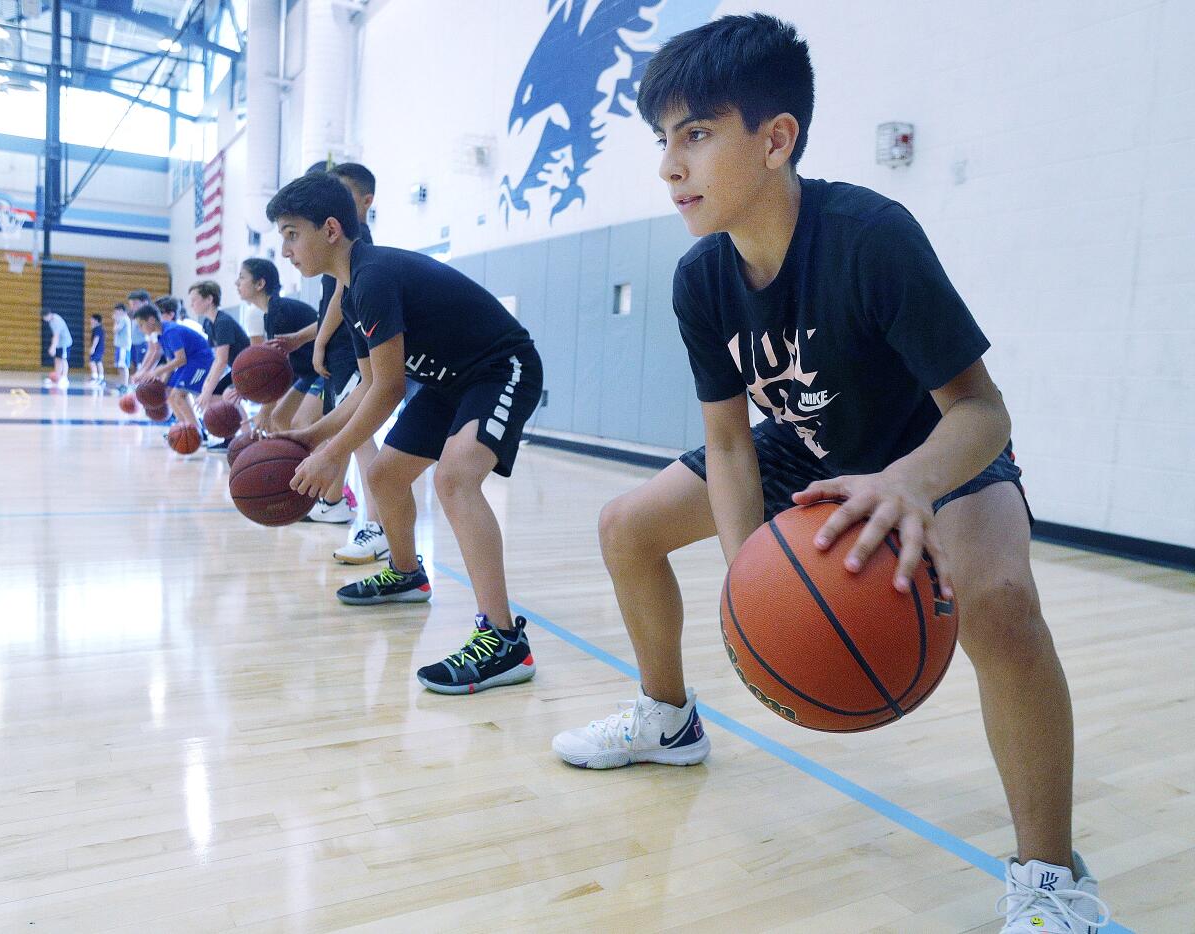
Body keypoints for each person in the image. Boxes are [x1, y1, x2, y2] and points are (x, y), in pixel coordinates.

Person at [548, 15, 1110, 934]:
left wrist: (911, 484)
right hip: (806, 450)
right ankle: (668, 719)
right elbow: (729, 444)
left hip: (929, 451)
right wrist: (750, 576)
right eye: (663, 140)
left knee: (1000, 602)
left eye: (695, 134)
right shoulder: (700, 280)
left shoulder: (871, 236)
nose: (669, 165)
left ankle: (1052, 876)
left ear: (776, 140)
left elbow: (981, 411)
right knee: (626, 527)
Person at [265, 172, 543, 695]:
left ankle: (505, 641)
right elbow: (368, 386)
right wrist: (310, 439)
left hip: (500, 368)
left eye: (290, 233)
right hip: (447, 382)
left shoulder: (373, 277)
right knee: (387, 476)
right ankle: (406, 573)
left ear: (329, 229)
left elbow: (389, 391)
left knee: (455, 480)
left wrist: (329, 453)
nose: (285, 250)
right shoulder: (352, 295)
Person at [304, 163, 387, 558]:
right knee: (345, 435)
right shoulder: (334, 235)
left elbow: (339, 297)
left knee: (361, 437)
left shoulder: (356, 239)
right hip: (345, 347)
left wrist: (319, 342)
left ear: (365, 201)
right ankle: (334, 501)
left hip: (352, 348)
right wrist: (309, 337)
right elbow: (328, 303)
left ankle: (379, 524)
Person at [235, 257, 353, 522]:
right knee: (279, 419)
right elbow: (275, 370)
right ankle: (292, 478)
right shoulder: (270, 313)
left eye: (242, 277)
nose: (237, 283)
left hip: (328, 367)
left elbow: (274, 373)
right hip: (308, 371)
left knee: (304, 422)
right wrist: (261, 403)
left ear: (260, 283)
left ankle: (334, 492)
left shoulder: (280, 312)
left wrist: (265, 406)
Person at [131, 303, 214, 431]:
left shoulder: (171, 331)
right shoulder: (161, 334)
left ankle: (196, 431)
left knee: (178, 395)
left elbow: (181, 359)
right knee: (169, 393)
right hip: (189, 362)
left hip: (201, 361)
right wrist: (162, 384)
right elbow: (171, 360)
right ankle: (183, 428)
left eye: (141, 324)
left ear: (152, 320)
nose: (140, 329)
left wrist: (157, 371)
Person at [189, 280, 249, 451]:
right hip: (236, 367)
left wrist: (207, 390)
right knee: (214, 396)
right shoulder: (208, 323)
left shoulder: (223, 322)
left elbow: (222, 360)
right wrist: (207, 386)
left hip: (248, 367)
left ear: (209, 299)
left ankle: (248, 438)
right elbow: (217, 358)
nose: (191, 304)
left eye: (194, 300)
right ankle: (229, 438)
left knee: (229, 395)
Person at [41, 309, 72, 385]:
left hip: (65, 343)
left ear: (47, 315)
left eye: (44, 317)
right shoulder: (51, 321)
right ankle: (57, 377)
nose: (44, 319)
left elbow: (56, 336)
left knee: (63, 359)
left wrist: (52, 347)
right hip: (59, 343)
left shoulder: (56, 321)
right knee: (57, 359)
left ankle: (65, 378)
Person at [126, 290, 150, 372]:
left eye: (135, 304)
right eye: (131, 304)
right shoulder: (133, 315)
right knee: (135, 364)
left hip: (143, 343)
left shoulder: (148, 316)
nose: (132, 307)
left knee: (142, 365)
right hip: (133, 343)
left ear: (145, 302)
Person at [112, 303, 132, 389]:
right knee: (120, 366)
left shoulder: (124, 319)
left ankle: (125, 385)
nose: (115, 313)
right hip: (120, 346)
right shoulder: (122, 319)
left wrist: (116, 321)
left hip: (123, 346)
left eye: (117, 311)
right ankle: (122, 384)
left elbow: (116, 330)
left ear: (122, 311)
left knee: (123, 366)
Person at [88, 313, 105, 384]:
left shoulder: (97, 329)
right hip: (100, 349)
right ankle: (101, 378)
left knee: (92, 362)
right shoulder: (100, 328)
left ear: (96, 320)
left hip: (97, 349)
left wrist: (93, 348)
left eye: (92, 319)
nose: (90, 320)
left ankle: (94, 378)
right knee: (98, 362)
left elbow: (96, 338)